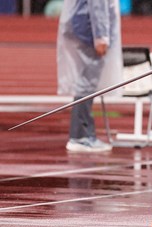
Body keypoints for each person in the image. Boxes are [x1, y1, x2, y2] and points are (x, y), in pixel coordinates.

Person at [57, 0, 123, 152]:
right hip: (90, 33)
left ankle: (83, 134)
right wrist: (101, 36)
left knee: (86, 84)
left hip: (86, 30)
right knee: (87, 85)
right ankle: (81, 136)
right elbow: (98, 5)